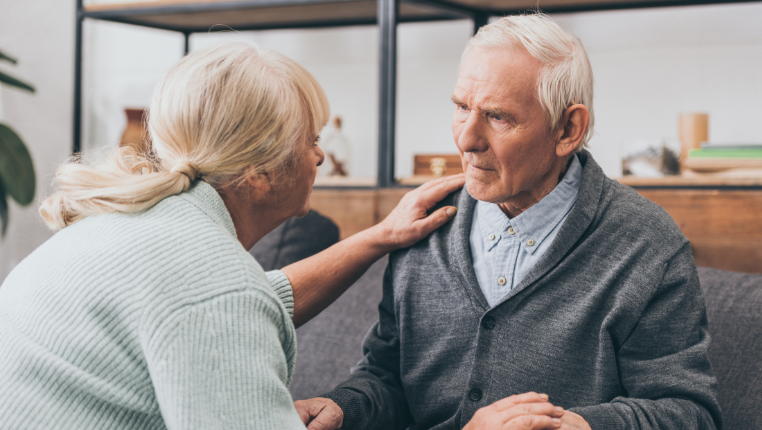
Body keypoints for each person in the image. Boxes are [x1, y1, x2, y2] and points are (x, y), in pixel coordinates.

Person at [0, 42, 465, 429]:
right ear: (259, 173)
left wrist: (379, 237)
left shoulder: (128, 226)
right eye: (310, 140)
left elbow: (256, 298)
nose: (320, 156)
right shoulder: (214, 286)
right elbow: (224, 301)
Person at [295, 14, 722, 430]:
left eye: (498, 117)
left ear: (568, 130)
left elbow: (689, 413)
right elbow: (387, 376)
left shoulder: (648, 246)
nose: (466, 139)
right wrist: (343, 407)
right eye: (462, 107)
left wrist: (577, 426)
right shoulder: (423, 224)